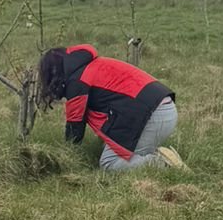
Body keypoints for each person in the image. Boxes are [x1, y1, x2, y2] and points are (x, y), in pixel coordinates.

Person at [38, 44, 183, 173]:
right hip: (165, 108)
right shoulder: (93, 64)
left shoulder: (77, 82)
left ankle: (161, 163)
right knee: (112, 147)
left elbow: (75, 128)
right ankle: (151, 155)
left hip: (153, 117)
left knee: (109, 163)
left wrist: (65, 158)